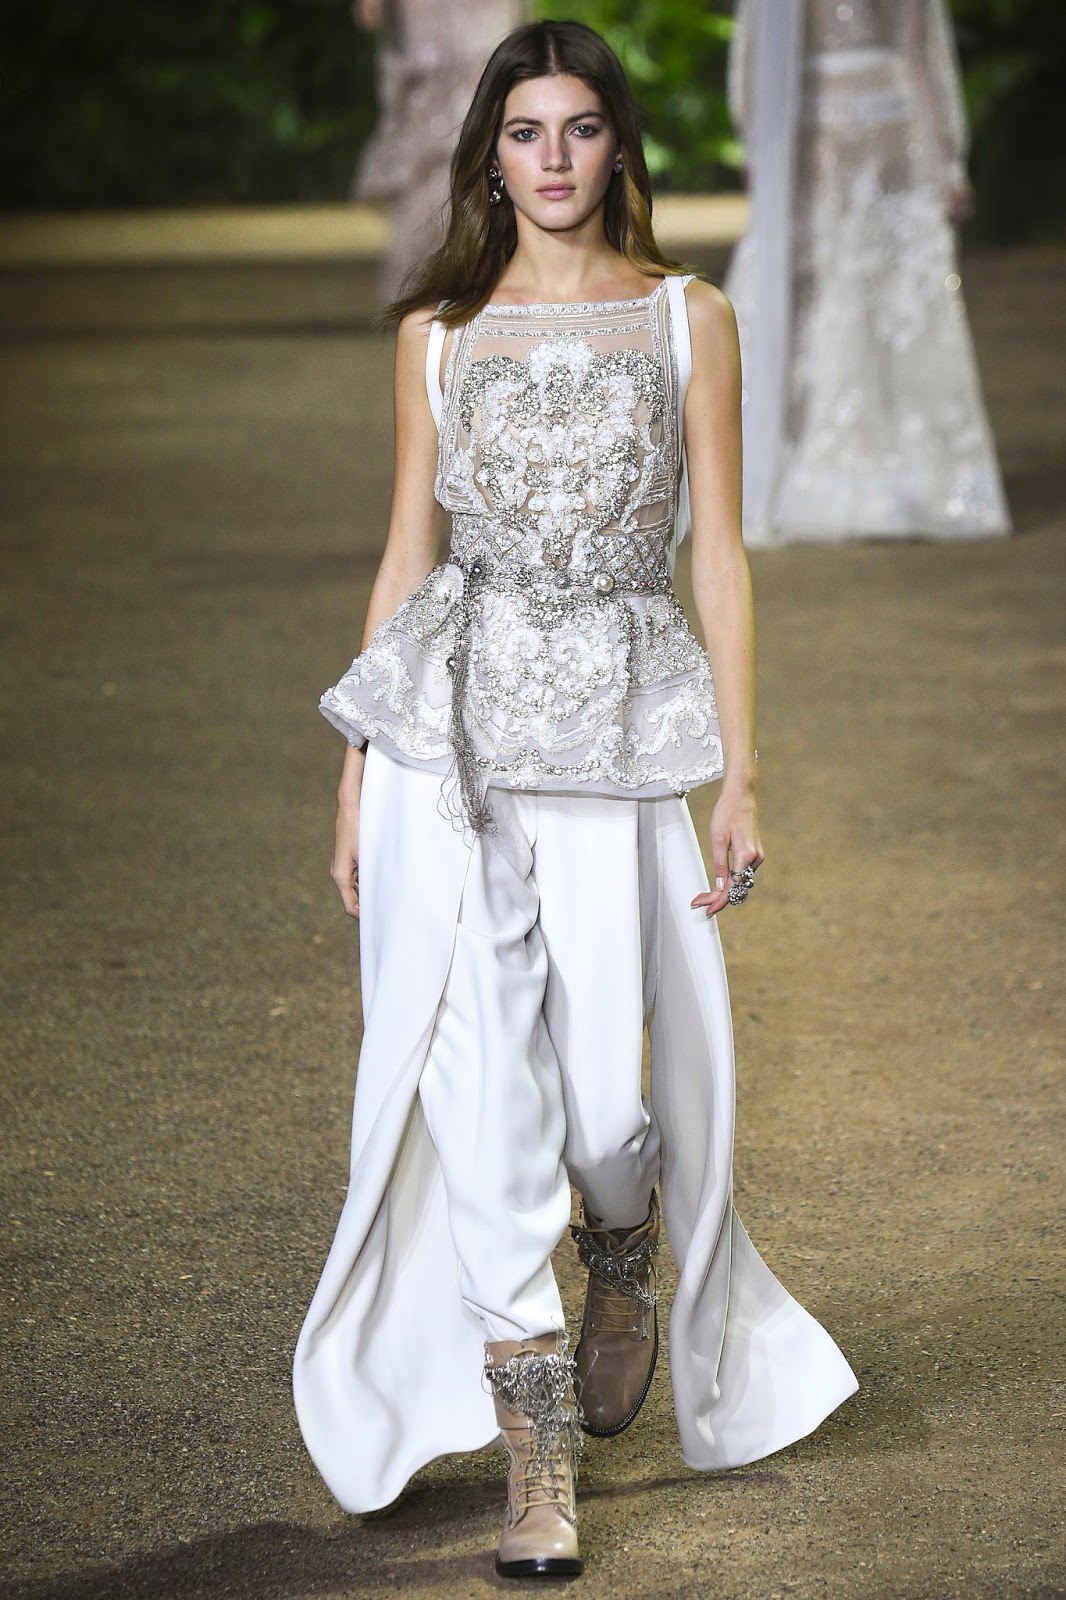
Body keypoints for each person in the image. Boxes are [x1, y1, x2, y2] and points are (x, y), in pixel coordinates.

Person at [294, 20, 857, 1580]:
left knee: (610, 1110)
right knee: (482, 1105)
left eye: (580, 128)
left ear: (617, 146)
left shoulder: (687, 318)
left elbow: (716, 553)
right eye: (523, 130)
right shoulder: (436, 332)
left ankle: (624, 1239)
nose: (552, 158)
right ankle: (534, 1463)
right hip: (448, 751)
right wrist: (353, 770)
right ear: (488, 151)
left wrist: (740, 771)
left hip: (615, 741)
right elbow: (405, 553)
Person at [725, 0, 1011, 545]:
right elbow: (918, 53)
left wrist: (756, 145)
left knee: (825, 295)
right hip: (883, 128)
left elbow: (754, 54)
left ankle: (812, 469)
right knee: (882, 300)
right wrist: (948, 159)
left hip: (815, 133)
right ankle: (897, 472)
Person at [351, 0, 530, 302]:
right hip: (429, 48)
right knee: (432, 163)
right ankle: (428, 293)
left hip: (478, 35)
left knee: (475, 144)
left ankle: (475, 286)